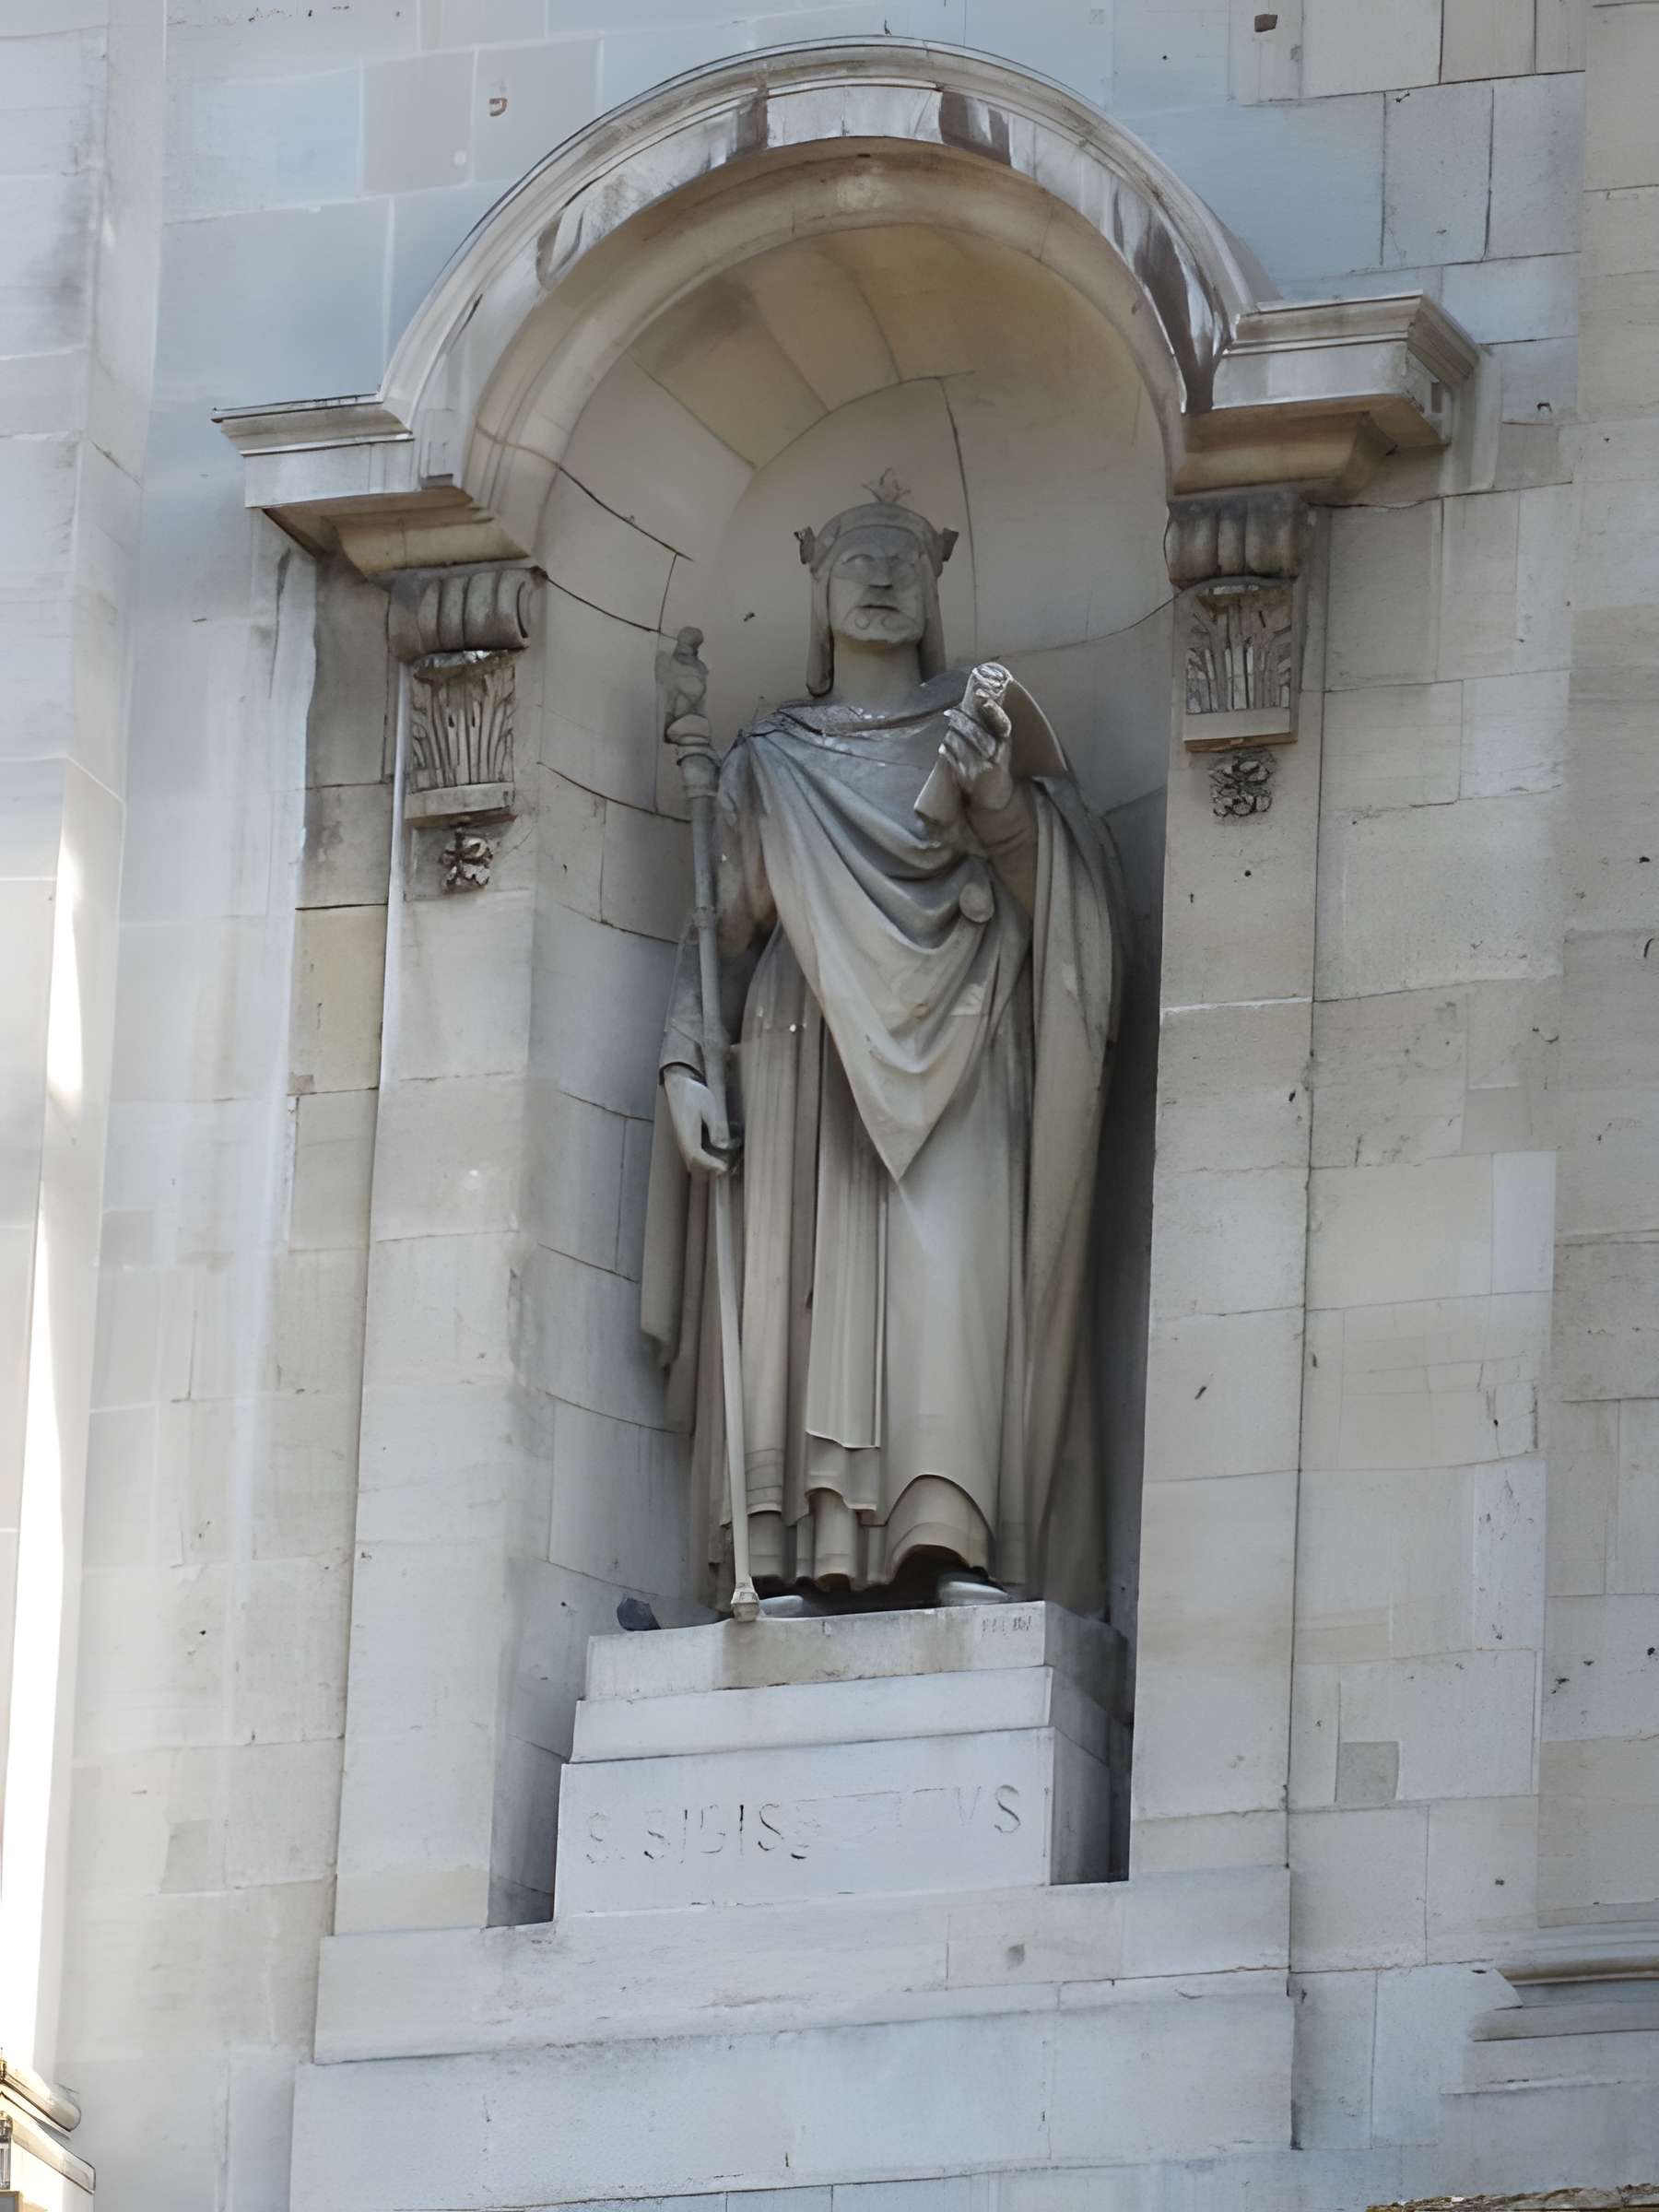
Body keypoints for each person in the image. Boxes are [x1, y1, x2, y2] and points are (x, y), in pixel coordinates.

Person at [641, 477, 1119, 1606]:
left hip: (958, 1040)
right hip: (806, 1055)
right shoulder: (769, 761)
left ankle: (947, 1540)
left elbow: (1072, 913)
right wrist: (684, 1062)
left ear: (937, 585)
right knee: (810, 1300)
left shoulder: (978, 731)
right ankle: (802, 1552)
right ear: (816, 587)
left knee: (944, 1281)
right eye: (856, 556)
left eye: (904, 557)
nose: (881, 576)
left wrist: (999, 805)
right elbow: (715, 934)